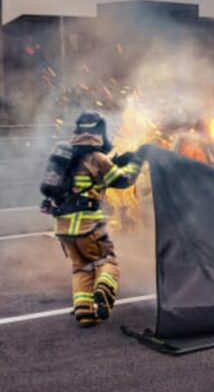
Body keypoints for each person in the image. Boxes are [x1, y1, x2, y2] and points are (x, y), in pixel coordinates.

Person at [52, 111, 143, 327]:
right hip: (87, 225)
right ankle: (104, 290)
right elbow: (123, 181)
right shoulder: (97, 158)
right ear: (98, 131)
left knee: (81, 268)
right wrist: (136, 163)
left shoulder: (66, 156)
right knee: (107, 261)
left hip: (64, 226)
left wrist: (117, 160)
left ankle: (85, 313)